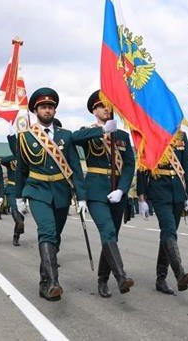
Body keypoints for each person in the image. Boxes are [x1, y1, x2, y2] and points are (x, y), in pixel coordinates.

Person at [15, 87, 87, 301]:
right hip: (37, 191)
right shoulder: (26, 137)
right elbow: (21, 169)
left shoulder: (66, 136)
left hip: (61, 192)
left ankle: (44, 281)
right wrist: (18, 196)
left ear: (55, 110)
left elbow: (75, 167)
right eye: (43, 107)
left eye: (50, 107)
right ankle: (54, 282)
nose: (47, 110)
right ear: (36, 110)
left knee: (55, 237)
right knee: (46, 231)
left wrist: (81, 196)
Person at [72, 90, 136, 298]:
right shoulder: (89, 132)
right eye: (101, 106)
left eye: (109, 106)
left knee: (112, 236)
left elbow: (129, 165)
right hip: (96, 190)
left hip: (117, 190)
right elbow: (73, 139)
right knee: (107, 231)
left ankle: (102, 279)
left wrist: (122, 189)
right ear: (94, 110)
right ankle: (121, 277)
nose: (106, 109)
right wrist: (102, 132)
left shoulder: (123, 136)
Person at [136, 130, 188, 295]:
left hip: (178, 190)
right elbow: (142, 168)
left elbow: (187, 166)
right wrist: (141, 198)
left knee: (168, 235)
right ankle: (180, 274)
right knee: (169, 230)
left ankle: (160, 278)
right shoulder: (149, 132)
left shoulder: (181, 136)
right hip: (159, 189)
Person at [1, 134, 26, 246]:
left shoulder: (26, 158)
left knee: (20, 214)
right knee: (15, 208)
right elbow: (2, 160)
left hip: (22, 189)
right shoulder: (11, 160)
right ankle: (19, 223)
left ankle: (16, 236)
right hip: (11, 188)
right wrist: (16, 156)